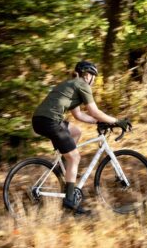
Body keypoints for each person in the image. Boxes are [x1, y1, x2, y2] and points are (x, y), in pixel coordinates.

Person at [32, 61, 131, 215]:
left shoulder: (72, 85)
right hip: (50, 121)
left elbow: (78, 115)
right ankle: (69, 200)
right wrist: (116, 121)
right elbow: (94, 111)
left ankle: (65, 169)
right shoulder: (82, 84)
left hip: (41, 119)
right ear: (87, 75)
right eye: (93, 76)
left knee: (76, 132)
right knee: (75, 158)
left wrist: (99, 122)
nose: (93, 80)